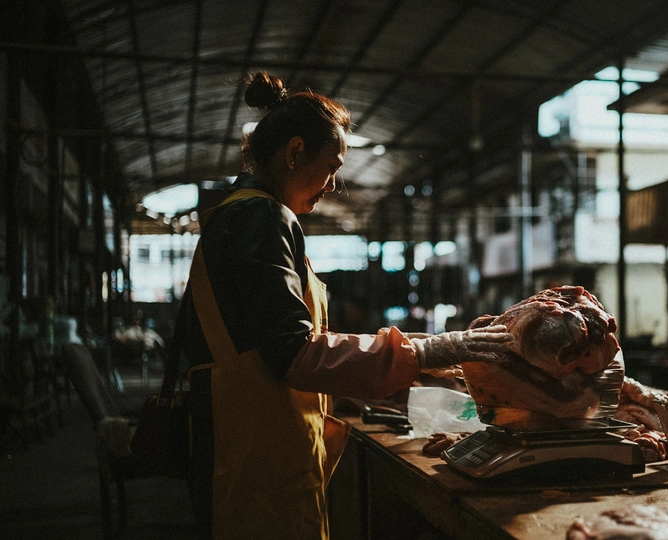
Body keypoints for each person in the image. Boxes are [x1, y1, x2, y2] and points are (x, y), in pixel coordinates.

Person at [178, 71, 513, 540]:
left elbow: (273, 345)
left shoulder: (238, 214)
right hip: (257, 456)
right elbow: (294, 352)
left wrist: (416, 357)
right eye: (332, 167)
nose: (333, 185)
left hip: (247, 442)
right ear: (295, 153)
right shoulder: (262, 216)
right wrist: (430, 351)